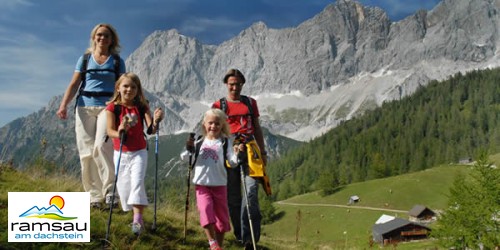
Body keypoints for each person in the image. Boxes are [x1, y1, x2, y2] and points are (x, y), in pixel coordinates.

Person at [56, 23, 126, 209]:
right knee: (86, 151)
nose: (102, 38)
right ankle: (93, 196)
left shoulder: (117, 61)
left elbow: (124, 86)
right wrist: (64, 105)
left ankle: (111, 192)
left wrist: (126, 107)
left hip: (108, 108)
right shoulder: (85, 59)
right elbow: (74, 83)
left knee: (102, 147)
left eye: (106, 36)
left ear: (112, 40)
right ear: (94, 37)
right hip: (84, 107)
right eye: (99, 35)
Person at [211, 68, 268, 249]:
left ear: (242, 84)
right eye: (231, 84)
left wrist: (263, 152)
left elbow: (257, 128)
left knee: (250, 193)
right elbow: (213, 130)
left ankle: (251, 238)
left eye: (238, 84)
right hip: (228, 150)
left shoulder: (251, 103)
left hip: (250, 150)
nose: (234, 88)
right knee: (233, 198)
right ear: (226, 85)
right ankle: (240, 235)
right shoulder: (218, 105)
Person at [105, 72, 164, 235]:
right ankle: (134, 214)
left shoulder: (142, 106)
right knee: (124, 190)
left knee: (137, 183)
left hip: (139, 151)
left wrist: (157, 120)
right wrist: (120, 132)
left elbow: (151, 129)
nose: (129, 89)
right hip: (121, 153)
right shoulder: (113, 107)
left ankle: (137, 220)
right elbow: (109, 131)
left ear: (138, 90)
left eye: (133, 87)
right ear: (118, 88)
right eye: (125, 86)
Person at [180, 108, 243, 250]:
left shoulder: (225, 143)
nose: (213, 126)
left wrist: (237, 154)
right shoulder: (199, 143)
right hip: (202, 185)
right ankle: (212, 242)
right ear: (204, 124)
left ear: (222, 125)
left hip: (220, 185)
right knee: (206, 210)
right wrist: (188, 149)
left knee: (221, 219)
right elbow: (184, 158)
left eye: (217, 123)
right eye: (210, 123)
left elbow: (232, 162)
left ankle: (218, 246)